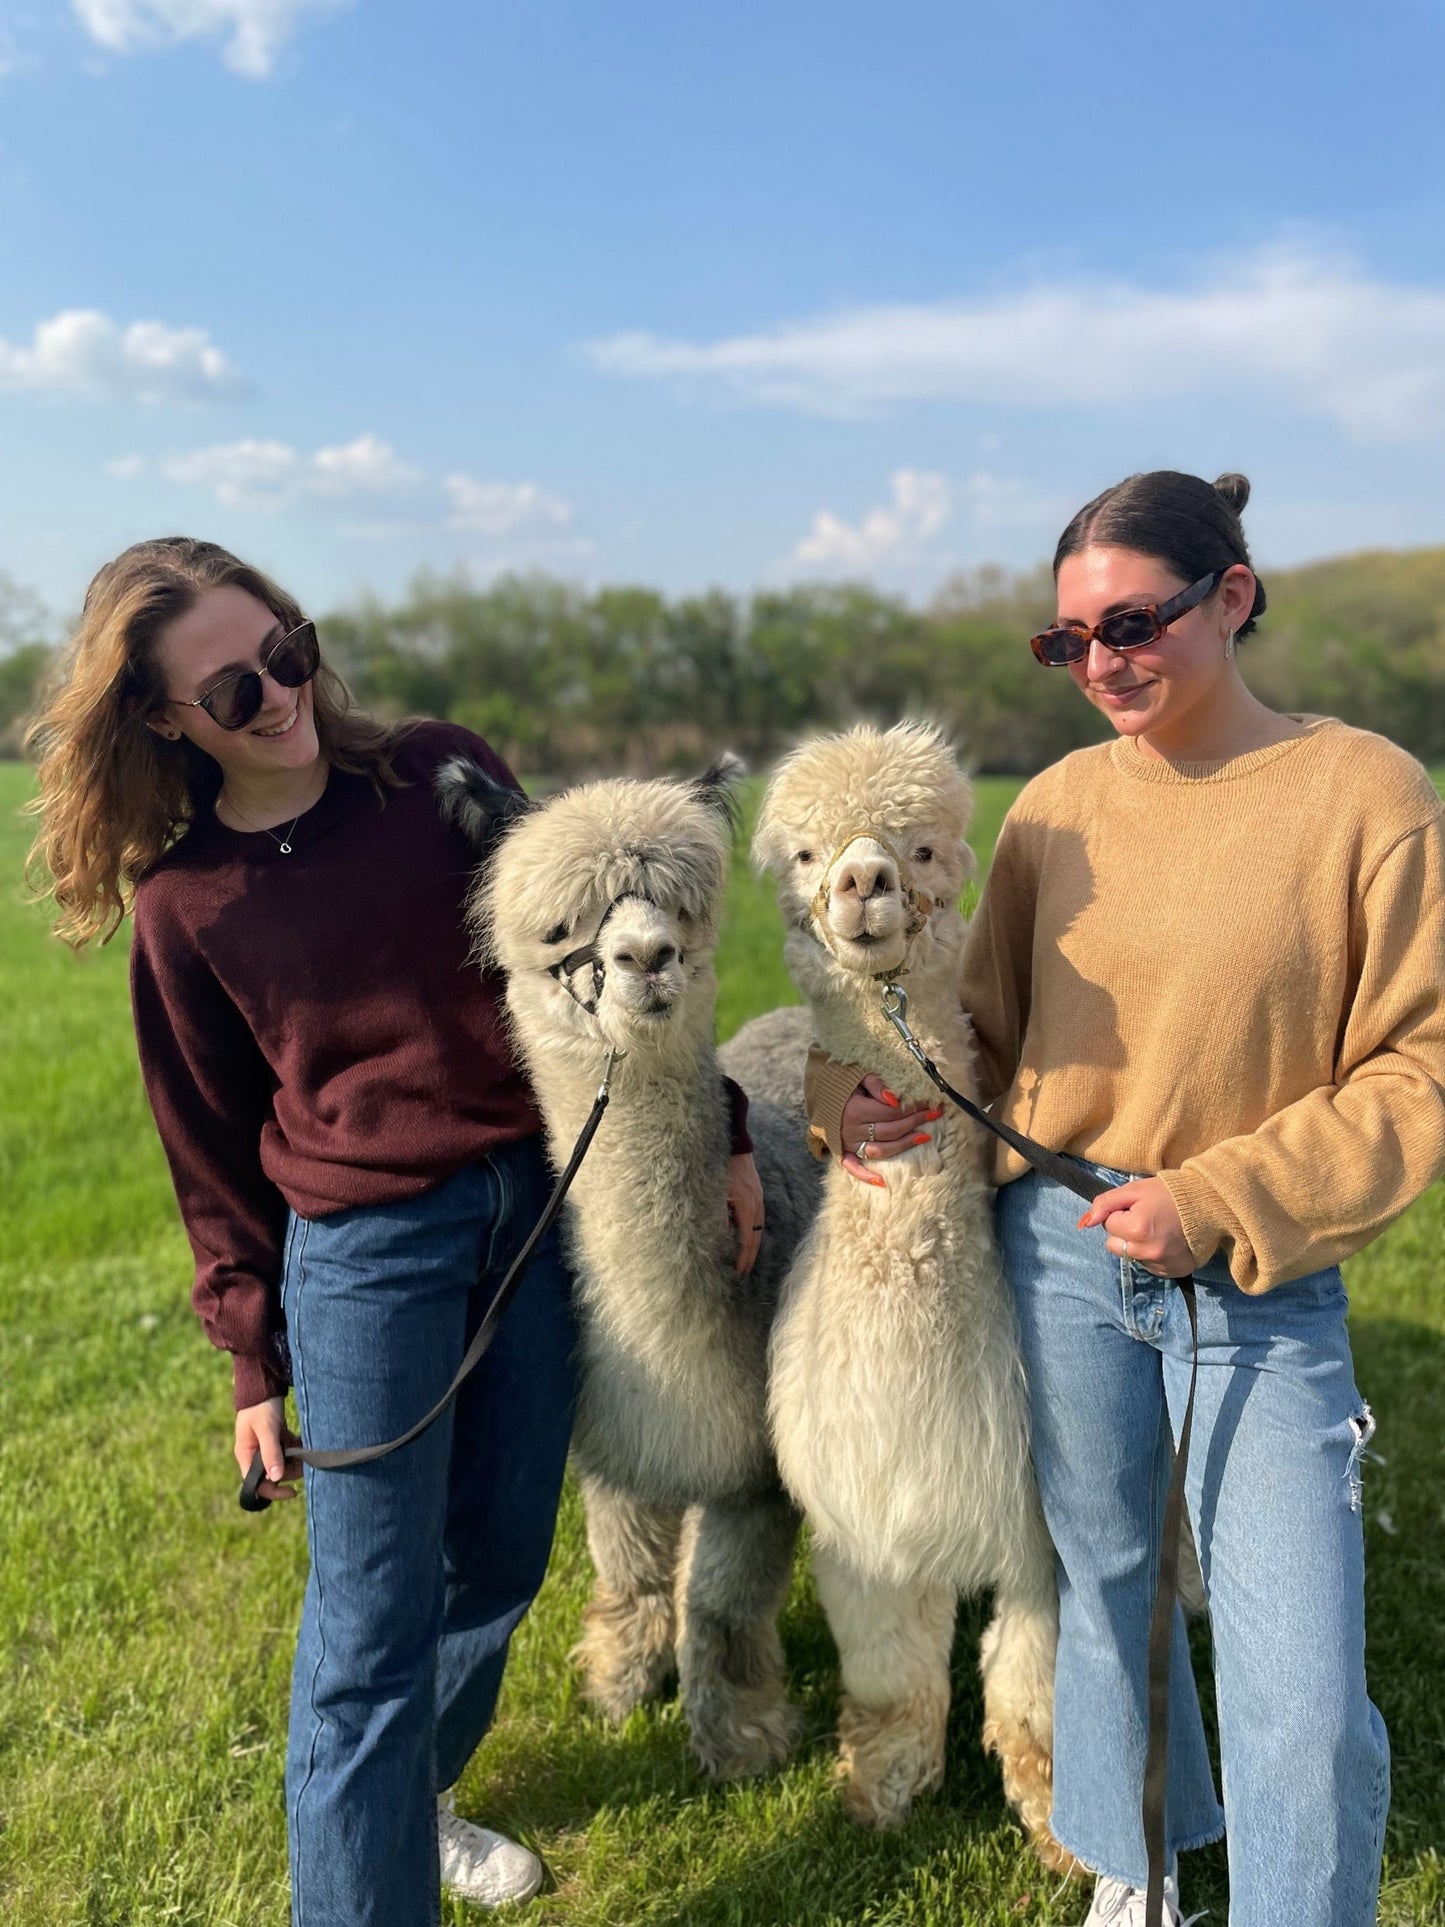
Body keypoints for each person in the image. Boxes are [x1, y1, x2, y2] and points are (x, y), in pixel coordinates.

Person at [25, 537, 764, 1927]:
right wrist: (253, 1355)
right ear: (167, 720)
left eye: (285, 651)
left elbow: (599, 942)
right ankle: (360, 1872)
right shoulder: (187, 908)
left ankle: (396, 1796)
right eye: (232, 690)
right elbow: (206, 1137)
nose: (278, 695)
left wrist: (719, 1123)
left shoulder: (438, 776)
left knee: (497, 1557)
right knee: (367, 1628)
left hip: (539, 1206)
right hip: (369, 1253)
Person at [805, 472, 1445, 1927]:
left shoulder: (1364, 796)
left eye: (1132, 622)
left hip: (1258, 1272)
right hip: (1060, 1248)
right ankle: (1135, 1858)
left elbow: (1417, 1069)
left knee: (1300, 1672)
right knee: (1101, 1586)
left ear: (1230, 596)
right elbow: (959, 1031)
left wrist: (1213, 1199)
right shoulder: (1053, 811)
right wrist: (839, 1097)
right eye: (1068, 642)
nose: (1101, 662)